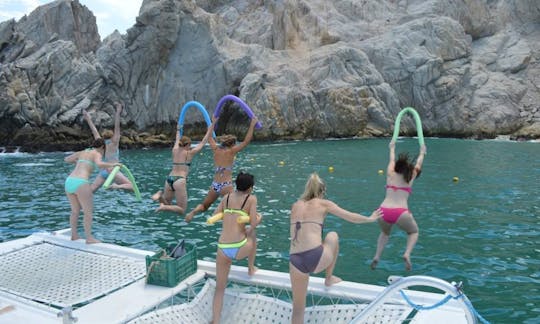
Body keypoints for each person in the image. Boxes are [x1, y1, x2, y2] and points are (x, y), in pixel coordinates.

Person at [289, 173, 381, 324]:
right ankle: (329, 278)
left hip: (295, 260)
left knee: (298, 309)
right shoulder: (324, 204)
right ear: (322, 192)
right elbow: (350, 217)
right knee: (332, 235)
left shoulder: (295, 206)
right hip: (315, 257)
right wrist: (370, 218)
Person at [185, 115, 258, 222]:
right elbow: (246, 141)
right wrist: (252, 124)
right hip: (226, 185)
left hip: (215, 185)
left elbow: (209, 137)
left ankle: (192, 212)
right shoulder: (231, 151)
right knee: (235, 208)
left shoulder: (215, 149)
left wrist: (213, 123)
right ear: (232, 144)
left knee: (205, 206)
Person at [211, 172, 262, 324]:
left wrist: (229, 214)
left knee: (220, 288)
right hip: (239, 248)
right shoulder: (251, 198)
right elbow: (253, 223)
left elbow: (215, 214)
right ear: (250, 188)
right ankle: (251, 268)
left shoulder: (226, 197)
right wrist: (259, 218)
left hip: (222, 248)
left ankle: (215, 321)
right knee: (253, 234)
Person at [370, 140, 426, 271]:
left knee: (384, 233)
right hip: (401, 212)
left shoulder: (390, 173)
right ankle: (407, 253)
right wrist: (422, 152)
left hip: (383, 211)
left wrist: (391, 148)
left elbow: (391, 160)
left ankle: (377, 256)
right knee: (413, 232)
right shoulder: (411, 175)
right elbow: (419, 163)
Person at [64, 138, 121, 244]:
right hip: (80, 182)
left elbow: (67, 159)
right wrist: (113, 164)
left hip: (69, 181)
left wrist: (78, 163)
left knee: (75, 211)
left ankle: (74, 235)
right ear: (102, 147)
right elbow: (99, 164)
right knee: (88, 213)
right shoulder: (97, 153)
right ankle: (89, 238)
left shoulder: (83, 152)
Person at [151, 123, 213, 215]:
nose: (190, 147)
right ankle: (162, 206)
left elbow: (177, 139)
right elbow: (203, 143)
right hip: (179, 180)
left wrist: (178, 130)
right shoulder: (189, 154)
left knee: (167, 203)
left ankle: (160, 197)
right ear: (187, 144)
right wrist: (209, 130)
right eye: (190, 145)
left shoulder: (175, 149)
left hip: (169, 179)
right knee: (182, 210)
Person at [82, 102, 132, 191]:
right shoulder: (114, 142)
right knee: (131, 186)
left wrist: (87, 118)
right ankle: (116, 186)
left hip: (103, 172)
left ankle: (79, 200)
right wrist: (118, 112)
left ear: (103, 136)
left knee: (91, 190)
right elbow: (117, 127)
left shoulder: (101, 143)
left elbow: (94, 131)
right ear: (112, 135)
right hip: (113, 170)